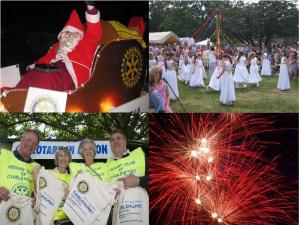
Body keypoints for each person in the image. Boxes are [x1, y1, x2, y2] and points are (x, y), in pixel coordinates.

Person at [4, 2, 102, 92]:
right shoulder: (58, 46)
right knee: (33, 74)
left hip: (71, 77)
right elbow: (46, 59)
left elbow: (95, 31)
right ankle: (13, 93)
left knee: (46, 77)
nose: (69, 35)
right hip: (53, 71)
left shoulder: (86, 42)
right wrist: (34, 67)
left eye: (72, 33)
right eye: (66, 32)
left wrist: (91, 7)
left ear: (79, 34)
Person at [106, 130, 148, 225]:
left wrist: (139, 181)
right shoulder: (107, 165)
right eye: (112, 140)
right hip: (120, 216)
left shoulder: (140, 156)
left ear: (125, 142)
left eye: (118, 138)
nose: (115, 141)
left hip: (141, 214)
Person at [0, 130, 40, 204]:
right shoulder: (3, 155)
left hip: (23, 213)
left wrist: (35, 199)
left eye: (34, 143)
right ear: (21, 139)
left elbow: (35, 193)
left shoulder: (36, 167)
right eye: (29, 140)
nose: (30, 144)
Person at [50, 147, 72, 225]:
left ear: (69, 159)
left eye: (66, 156)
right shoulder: (48, 174)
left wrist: (68, 198)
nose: (63, 158)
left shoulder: (73, 178)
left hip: (68, 221)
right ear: (57, 158)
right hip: (51, 221)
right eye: (60, 155)